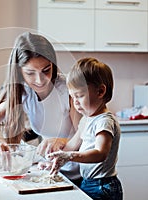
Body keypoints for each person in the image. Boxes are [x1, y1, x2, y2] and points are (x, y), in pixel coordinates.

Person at [0, 32, 82, 185]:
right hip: (51, 172)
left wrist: (61, 141)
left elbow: (86, 136)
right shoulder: (24, 93)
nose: (40, 80)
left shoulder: (68, 90)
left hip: (77, 176)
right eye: (30, 73)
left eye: (46, 70)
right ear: (19, 72)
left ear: (53, 65)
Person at [46, 57, 123, 200]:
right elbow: (71, 146)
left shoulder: (104, 121)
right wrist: (52, 160)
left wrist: (71, 157)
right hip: (88, 182)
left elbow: (100, 153)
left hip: (103, 186)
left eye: (79, 96)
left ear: (100, 92)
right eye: (72, 97)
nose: (75, 102)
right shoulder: (87, 120)